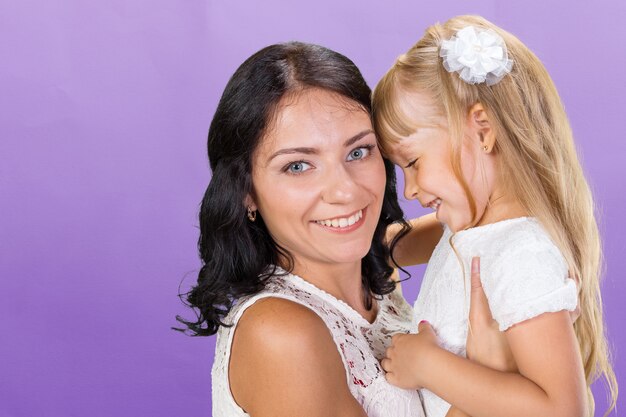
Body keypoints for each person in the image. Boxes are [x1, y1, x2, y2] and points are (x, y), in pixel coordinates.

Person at [373, 15, 618, 417]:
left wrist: (429, 366)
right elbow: (399, 243)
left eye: (413, 162)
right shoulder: (478, 230)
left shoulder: (523, 255)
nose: (409, 190)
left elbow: (562, 409)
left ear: (483, 130)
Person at [176, 41, 428, 417]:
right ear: (247, 193)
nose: (344, 191)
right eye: (298, 166)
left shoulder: (374, 264)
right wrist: (482, 375)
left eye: (358, 152)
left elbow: (483, 216)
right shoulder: (282, 332)